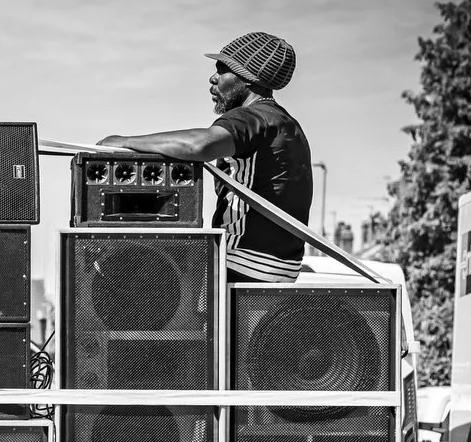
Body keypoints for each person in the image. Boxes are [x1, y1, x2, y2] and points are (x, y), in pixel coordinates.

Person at [97, 31, 313, 283]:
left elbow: (199, 145)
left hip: (241, 258)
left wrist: (123, 142)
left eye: (222, 70)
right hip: (282, 267)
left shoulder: (252, 117)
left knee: (125, 266)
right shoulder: (287, 124)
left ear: (248, 78)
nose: (213, 78)